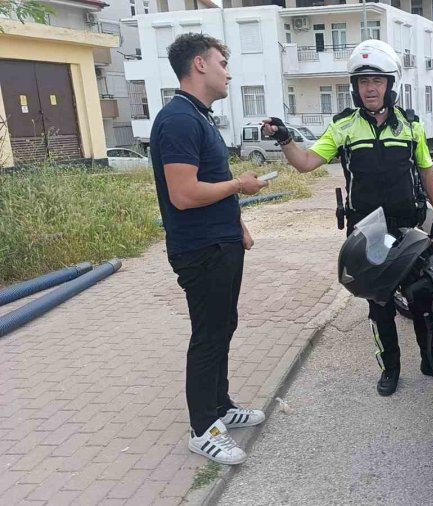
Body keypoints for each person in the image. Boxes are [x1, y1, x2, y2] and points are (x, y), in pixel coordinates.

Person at [260, 39, 433, 397]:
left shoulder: (410, 126)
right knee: (380, 305)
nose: (370, 88)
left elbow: (427, 170)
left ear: (389, 84)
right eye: (363, 81)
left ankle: (430, 359)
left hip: (408, 227)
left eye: (377, 80)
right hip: (369, 231)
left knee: (421, 297)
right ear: (355, 87)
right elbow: (305, 163)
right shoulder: (343, 128)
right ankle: (390, 368)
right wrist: (285, 138)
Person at [151, 33, 268, 466]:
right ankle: (203, 430)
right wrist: (240, 185)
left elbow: (210, 179)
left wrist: (238, 224)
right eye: (222, 63)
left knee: (223, 326)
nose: (228, 73)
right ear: (199, 65)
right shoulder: (179, 120)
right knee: (208, 335)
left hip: (221, 241)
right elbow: (183, 194)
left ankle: (220, 406)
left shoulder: (199, 117)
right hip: (200, 248)